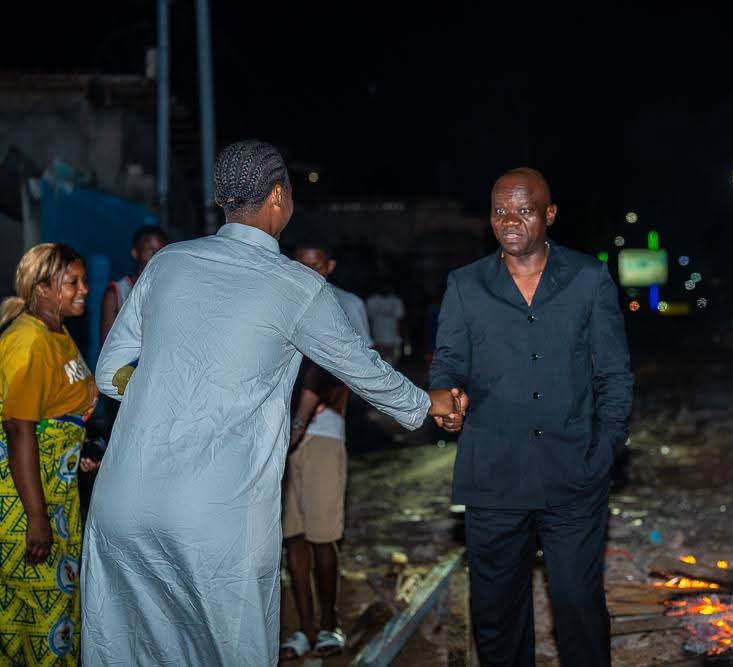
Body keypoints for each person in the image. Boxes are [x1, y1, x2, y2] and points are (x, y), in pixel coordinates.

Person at [81, 139, 466, 665]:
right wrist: (429, 403)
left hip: (122, 502)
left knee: (134, 653)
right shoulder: (297, 286)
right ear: (279, 196)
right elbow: (363, 370)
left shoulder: (169, 262)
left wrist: (167, 392)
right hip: (215, 516)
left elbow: (109, 372)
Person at [429, 168, 633, 667]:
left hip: (573, 471)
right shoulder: (466, 284)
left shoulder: (588, 278)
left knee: (578, 605)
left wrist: (604, 449)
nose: (510, 221)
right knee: (497, 614)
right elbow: (448, 362)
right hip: (493, 473)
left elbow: (614, 373)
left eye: (523, 210)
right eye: (500, 211)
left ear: (550, 214)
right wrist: (447, 397)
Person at [0, 243, 101, 665]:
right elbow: (19, 430)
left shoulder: (56, 333)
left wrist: (79, 451)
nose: (84, 289)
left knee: (57, 619)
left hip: (56, 494)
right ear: (42, 288)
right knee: (38, 625)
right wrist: (37, 518)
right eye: (72, 282)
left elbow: (58, 413)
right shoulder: (28, 341)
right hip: (26, 502)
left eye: (84, 280)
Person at [279, 241, 372, 660]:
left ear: (330, 266)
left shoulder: (346, 304)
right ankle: (305, 627)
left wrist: (308, 414)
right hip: (279, 436)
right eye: (302, 265)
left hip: (323, 432)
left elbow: (353, 364)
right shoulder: (279, 300)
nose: (309, 272)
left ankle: (330, 623)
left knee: (323, 536)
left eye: (317, 265)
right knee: (292, 537)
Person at [99, 225, 167, 345]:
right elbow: (107, 346)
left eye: (161, 251)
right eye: (151, 251)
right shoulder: (117, 292)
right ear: (135, 253)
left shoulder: (169, 289)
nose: (157, 256)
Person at [365, 281, 405, 366]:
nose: (385, 288)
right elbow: (368, 320)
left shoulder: (396, 300)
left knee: (393, 363)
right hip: (377, 338)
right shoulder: (372, 300)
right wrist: (370, 337)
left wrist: (400, 337)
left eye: (388, 286)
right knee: (379, 363)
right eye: (383, 286)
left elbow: (400, 320)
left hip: (393, 338)